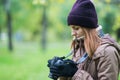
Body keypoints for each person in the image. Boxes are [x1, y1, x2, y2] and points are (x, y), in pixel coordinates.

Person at [47, 0, 120, 80]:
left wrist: (75, 73)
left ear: (88, 28)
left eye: (76, 28)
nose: (72, 33)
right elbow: (74, 76)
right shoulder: (80, 45)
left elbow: (76, 74)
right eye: (71, 28)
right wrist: (62, 71)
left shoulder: (108, 52)